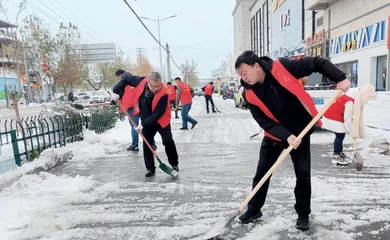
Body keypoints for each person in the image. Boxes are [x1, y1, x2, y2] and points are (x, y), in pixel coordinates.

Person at [235, 51, 351, 231]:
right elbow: (264, 122)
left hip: (300, 132)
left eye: (244, 72)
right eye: (240, 75)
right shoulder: (249, 94)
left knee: (302, 174)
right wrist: (285, 136)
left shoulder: (282, 67)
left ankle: (303, 214)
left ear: (256, 65)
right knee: (262, 174)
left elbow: (317, 63)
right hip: (274, 136)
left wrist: (340, 78)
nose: (243, 78)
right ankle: (254, 209)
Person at [113, 71, 170, 176]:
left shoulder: (162, 93)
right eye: (154, 86)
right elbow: (124, 81)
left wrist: (144, 123)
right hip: (142, 113)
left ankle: (173, 163)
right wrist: (116, 91)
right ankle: (150, 168)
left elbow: (158, 112)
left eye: (158, 86)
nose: (156, 88)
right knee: (145, 139)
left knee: (165, 140)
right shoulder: (137, 82)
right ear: (148, 81)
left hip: (155, 116)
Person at [322, 84, 376, 165]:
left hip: (335, 116)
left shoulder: (353, 96)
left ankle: (339, 153)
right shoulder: (349, 100)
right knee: (340, 134)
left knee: (341, 135)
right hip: (331, 116)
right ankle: (336, 156)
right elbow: (347, 118)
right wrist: (353, 130)